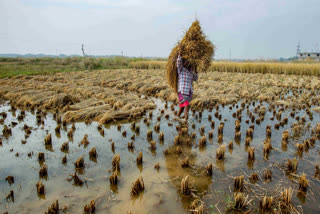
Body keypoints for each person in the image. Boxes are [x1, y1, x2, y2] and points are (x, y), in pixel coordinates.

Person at [176, 49, 198, 120]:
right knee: (187, 106)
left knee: (182, 108)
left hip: (189, 92)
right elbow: (178, 64)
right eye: (186, 62)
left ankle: (177, 118)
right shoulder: (181, 70)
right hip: (182, 91)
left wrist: (195, 70)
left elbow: (195, 78)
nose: (188, 64)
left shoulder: (191, 72)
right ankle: (186, 123)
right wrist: (179, 55)